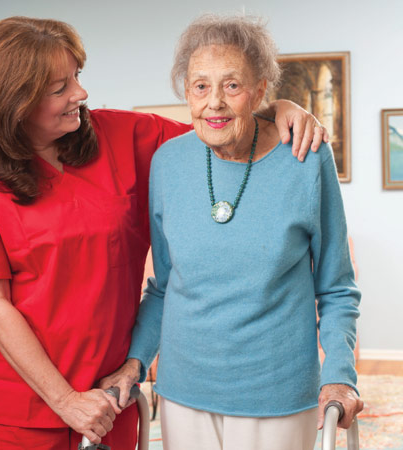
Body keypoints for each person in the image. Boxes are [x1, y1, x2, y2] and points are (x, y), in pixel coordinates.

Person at [0, 16, 327, 450]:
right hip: (15, 409)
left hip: (109, 395)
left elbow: (215, 122)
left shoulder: (121, 135)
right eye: (60, 88)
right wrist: (65, 401)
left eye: (76, 76)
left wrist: (277, 106)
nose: (81, 93)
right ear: (13, 101)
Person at [101, 13, 363, 450]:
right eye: (200, 86)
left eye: (233, 85)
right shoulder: (168, 163)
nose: (214, 102)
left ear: (261, 90)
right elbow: (164, 287)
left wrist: (339, 375)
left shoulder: (306, 158)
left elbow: (336, 288)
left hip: (278, 394)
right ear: (186, 91)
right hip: (183, 393)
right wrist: (135, 362)